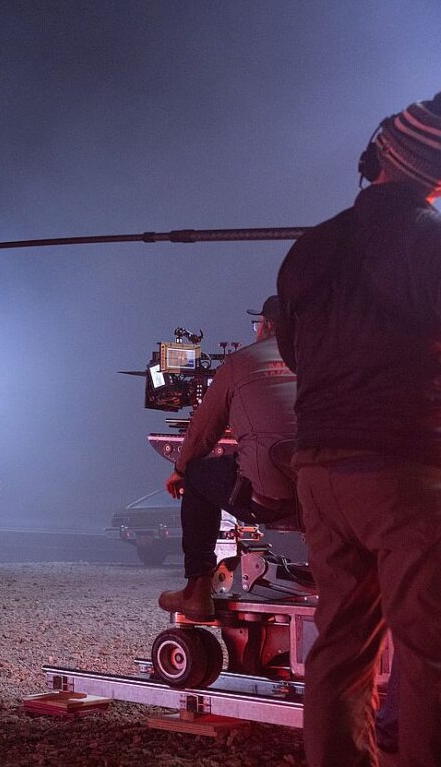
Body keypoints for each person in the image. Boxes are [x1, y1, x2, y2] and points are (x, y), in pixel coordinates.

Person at [276, 91, 441, 767]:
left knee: (341, 645)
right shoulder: (428, 241)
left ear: (376, 157)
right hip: (403, 470)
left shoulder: (309, 247)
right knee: (430, 651)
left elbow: (294, 355)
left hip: (319, 472)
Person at [158, 298, 297, 620]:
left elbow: (203, 431)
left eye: (257, 324)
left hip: (269, 495)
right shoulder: (323, 360)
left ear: (267, 326)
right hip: (323, 495)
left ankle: (197, 590)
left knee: (197, 473)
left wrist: (180, 469)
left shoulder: (240, 363)